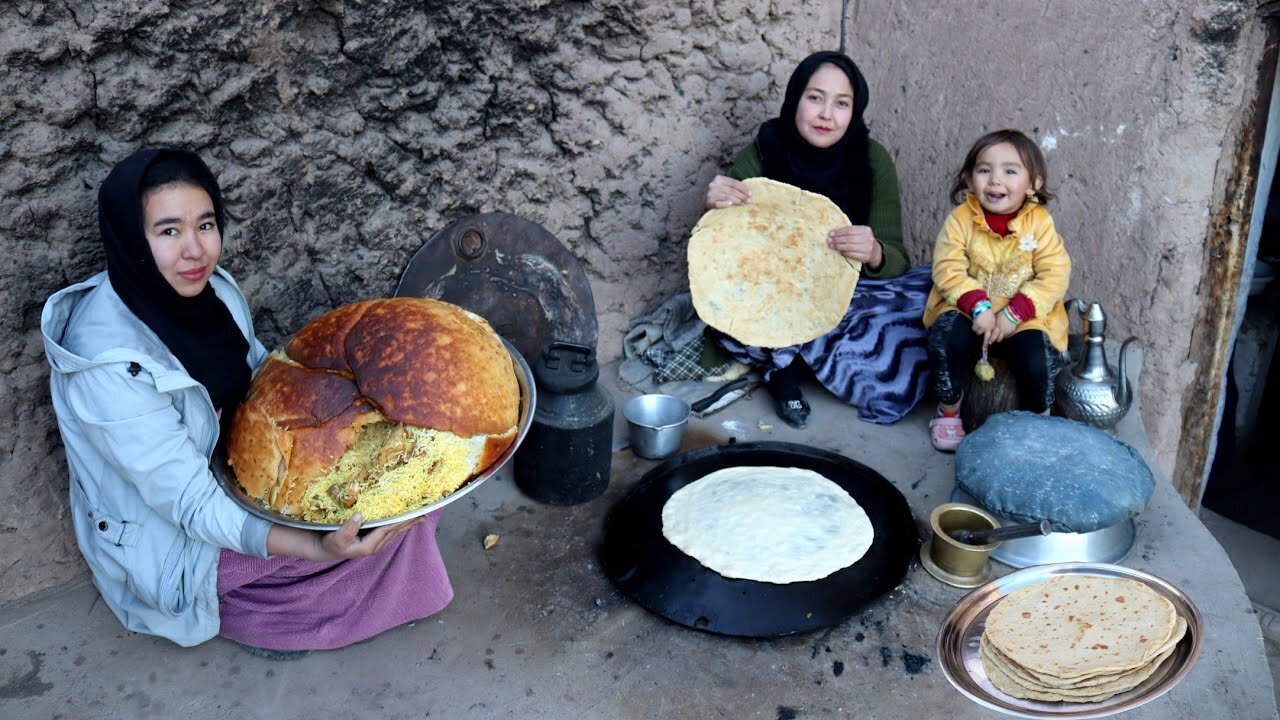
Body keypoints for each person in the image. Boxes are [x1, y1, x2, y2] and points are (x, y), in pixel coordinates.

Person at [40, 148, 453, 659]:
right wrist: (313, 543)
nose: (195, 251)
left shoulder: (211, 294)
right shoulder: (106, 367)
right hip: (172, 539)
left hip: (228, 470)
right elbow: (189, 502)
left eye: (205, 224)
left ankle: (320, 580)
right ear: (130, 237)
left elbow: (261, 382)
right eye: (168, 231)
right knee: (359, 534)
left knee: (403, 493)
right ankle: (271, 615)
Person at [702, 50, 932, 427]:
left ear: (855, 111)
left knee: (931, 290)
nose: (827, 114)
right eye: (815, 98)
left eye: (842, 104)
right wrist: (715, 207)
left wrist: (874, 252)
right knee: (728, 310)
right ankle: (786, 370)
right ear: (794, 99)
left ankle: (788, 356)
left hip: (844, 296)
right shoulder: (761, 153)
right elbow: (724, 255)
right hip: (772, 293)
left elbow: (897, 259)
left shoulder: (872, 160)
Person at [922, 129, 1072, 451]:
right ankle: (949, 411)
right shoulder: (960, 220)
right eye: (984, 170)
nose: (995, 180)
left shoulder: (1040, 224)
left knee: (1037, 359)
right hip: (966, 307)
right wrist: (977, 306)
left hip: (1022, 313)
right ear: (968, 178)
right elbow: (947, 268)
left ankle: (1038, 419)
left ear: (1035, 184)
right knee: (945, 341)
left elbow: (1054, 273)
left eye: (1010, 171)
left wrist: (1014, 314)